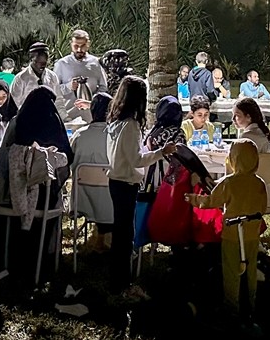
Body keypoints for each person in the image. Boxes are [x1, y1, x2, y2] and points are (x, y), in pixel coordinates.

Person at [106, 76, 178, 302]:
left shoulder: (115, 122)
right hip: (125, 183)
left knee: (121, 234)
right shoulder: (130, 125)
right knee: (125, 236)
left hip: (116, 181)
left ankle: (118, 282)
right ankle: (122, 284)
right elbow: (136, 160)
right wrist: (161, 152)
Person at [0, 86, 73, 284]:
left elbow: (3, 154)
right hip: (45, 199)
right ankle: (46, 257)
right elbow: (66, 161)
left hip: (13, 196)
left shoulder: (17, 123)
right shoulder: (54, 125)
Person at [185, 139, 268, 319]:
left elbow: (211, 201)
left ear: (233, 159)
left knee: (231, 271)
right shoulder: (260, 183)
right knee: (250, 269)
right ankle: (251, 303)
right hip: (252, 234)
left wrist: (193, 199)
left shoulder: (229, 182)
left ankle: (232, 307)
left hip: (232, 233)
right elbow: (263, 207)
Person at [69, 93, 114, 251]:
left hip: (83, 198)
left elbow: (70, 162)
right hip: (111, 199)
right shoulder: (115, 136)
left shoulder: (79, 135)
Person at [54, 29, 107, 119]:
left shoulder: (96, 63)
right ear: (71, 44)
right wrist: (68, 87)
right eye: (76, 46)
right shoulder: (61, 64)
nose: (79, 49)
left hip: (92, 116)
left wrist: (93, 101)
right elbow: (54, 90)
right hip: (69, 117)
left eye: (83, 46)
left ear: (88, 44)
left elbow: (103, 87)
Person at [147, 95, 189, 181]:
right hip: (170, 180)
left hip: (152, 178)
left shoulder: (154, 131)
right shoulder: (178, 133)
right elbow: (184, 158)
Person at [10, 42, 58, 108]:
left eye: (45, 62)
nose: (43, 65)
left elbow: (59, 101)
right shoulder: (20, 78)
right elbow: (14, 104)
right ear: (31, 59)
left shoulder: (52, 76)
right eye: (39, 62)